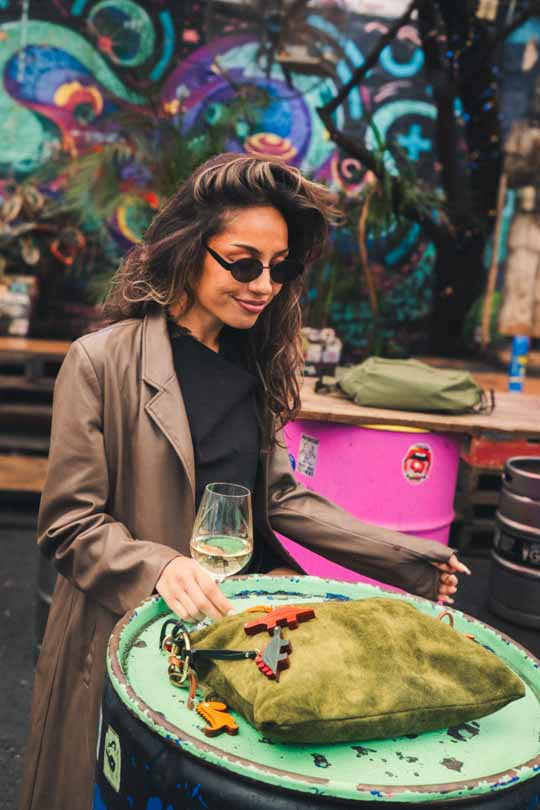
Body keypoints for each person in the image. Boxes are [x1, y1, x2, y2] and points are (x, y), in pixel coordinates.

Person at [19, 153, 468, 810]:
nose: (264, 285)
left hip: (234, 634)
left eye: (279, 268)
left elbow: (279, 499)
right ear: (188, 251)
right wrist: (158, 566)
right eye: (243, 263)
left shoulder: (255, 359)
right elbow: (69, 524)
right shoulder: (101, 362)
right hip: (129, 630)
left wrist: (404, 559)